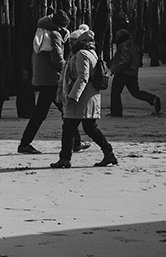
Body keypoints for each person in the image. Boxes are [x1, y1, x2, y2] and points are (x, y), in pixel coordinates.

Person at [49, 25, 117, 169]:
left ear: (78, 41)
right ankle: (108, 152)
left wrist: (73, 96)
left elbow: (82, 77)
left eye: (72, 41)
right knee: (90, 128)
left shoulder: (82, 54)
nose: (70, 44)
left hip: (82, 98)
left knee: (68, 128)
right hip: (90, 97)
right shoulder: (91, 52)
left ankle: (65, 159)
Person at [18, 11, 69, 155]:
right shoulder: (54, 35)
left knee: (62, 109)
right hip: (51, 79)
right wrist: (67, 69)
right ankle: (24, 144)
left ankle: (75, 141)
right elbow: (57, 59)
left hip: (42, 77)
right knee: (47, 113)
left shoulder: (41, 31)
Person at [107, 28, 161, 116]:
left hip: (123, 72)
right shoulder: (133, 45)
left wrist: (115, 69)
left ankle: (116, 112)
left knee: (115, 92)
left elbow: (126, 60)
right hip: (132, 72)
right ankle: (153, 99)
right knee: (136, 92)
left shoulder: (123, 45)